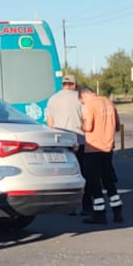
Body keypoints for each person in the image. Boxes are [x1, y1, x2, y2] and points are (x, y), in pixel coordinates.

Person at [79, 86, 123, 224]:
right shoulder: (109, 102)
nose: (82, 104)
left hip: (93, 147)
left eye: (82, 101)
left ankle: (99, 213)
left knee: (93, 182)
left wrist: (80, 125)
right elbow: (117, 126)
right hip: (108, 147)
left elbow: (88, 127)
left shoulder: (90, 105)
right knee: (109, 180)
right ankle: (117, 211)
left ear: (84, 96)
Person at [45, 75, 87, 214]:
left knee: (62, 174)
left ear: (63, 84)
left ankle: (65, 206)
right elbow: (86, 119)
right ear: (74, 85)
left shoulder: (53, 99)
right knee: (81, 173)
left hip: (59, 142)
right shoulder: (80, 99)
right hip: (78, 140)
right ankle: (85, 205)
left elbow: (50, 123)